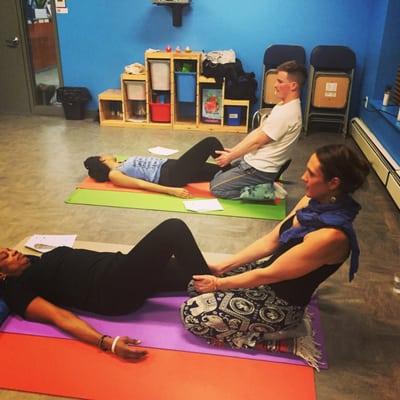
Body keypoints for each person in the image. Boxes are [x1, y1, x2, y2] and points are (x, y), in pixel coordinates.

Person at [181, 144, 370, 350]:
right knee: (194, 286)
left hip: (280, 302)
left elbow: (269, 275)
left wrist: (218, 284)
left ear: (333, 183)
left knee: (192, 313)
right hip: (266, 275)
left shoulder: (331, 236)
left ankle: (281, 330)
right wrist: (222, 267)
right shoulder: (312, 200)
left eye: (311, 173)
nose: (303, 177)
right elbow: (271, 241)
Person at [0, 219, 212, 361]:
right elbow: (60, 317)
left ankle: (222, 287)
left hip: (124, 270)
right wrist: (108, 343)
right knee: (173, 229)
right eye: (5, 257)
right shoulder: (16, 290)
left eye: (9, 249)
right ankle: (215, 299)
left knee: (197, 272)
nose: (13, 252)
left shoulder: (31, 261)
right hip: (113, 289)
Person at [210, 60, 307, 199]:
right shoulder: (283, 106)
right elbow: (258, 132)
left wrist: (231, 156)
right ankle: (264, 184)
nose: (275, 85)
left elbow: (258, 142)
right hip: (252, 162)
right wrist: (235, 150)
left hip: (260, 169)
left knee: (216, 188)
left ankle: (267, 191)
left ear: (293, 86)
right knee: (217, 176)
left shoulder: (288, 113)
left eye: (280, 81)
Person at [84, 137, 225, 198]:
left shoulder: (121, 162)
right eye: (102, 154)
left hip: (173, 166)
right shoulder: (114, 175)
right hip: (171, 175)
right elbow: (141, 184)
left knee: (221, 172)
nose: (107, 152)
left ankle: (239, 178)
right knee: (210, 143)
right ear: (102, 159)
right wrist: (171, 191)